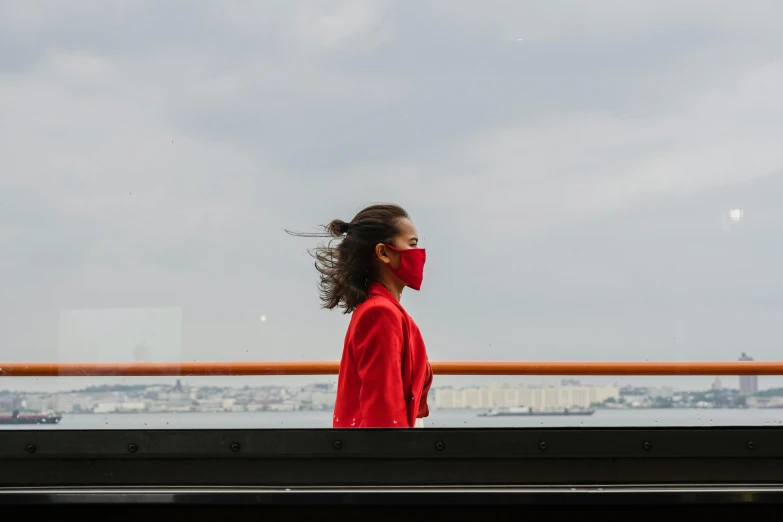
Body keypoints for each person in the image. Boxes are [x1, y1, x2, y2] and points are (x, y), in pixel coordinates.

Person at [289, 203, 432, 428]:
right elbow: (383, 413)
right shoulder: (380, 313)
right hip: (380, 458)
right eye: (412, 244)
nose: (419, 254)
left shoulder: (383, 309)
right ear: (383, 252)